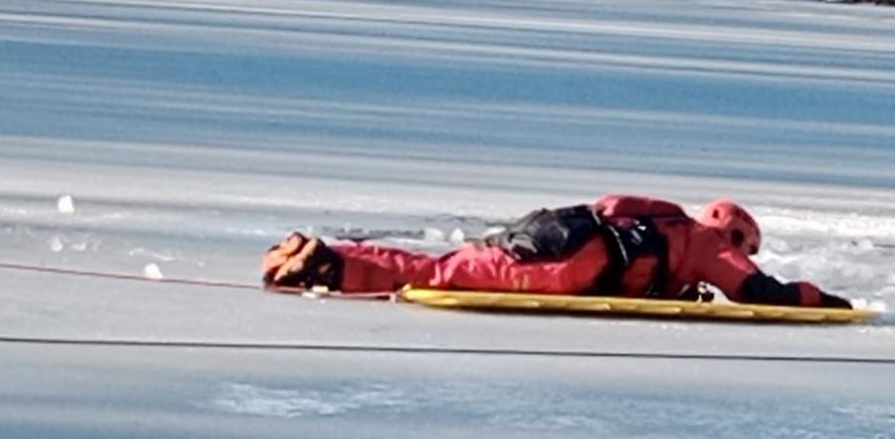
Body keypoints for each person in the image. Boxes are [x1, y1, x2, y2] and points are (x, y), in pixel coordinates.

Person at [261, 195, 853, 309]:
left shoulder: (665, 219)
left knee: (448, 266)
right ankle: (324, 262)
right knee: (446, 275)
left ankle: (331, 258)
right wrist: (822, 300)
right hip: (576, 262)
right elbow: (757, 292)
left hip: (556, 231)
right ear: (737, 238)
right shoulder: (705, 243)